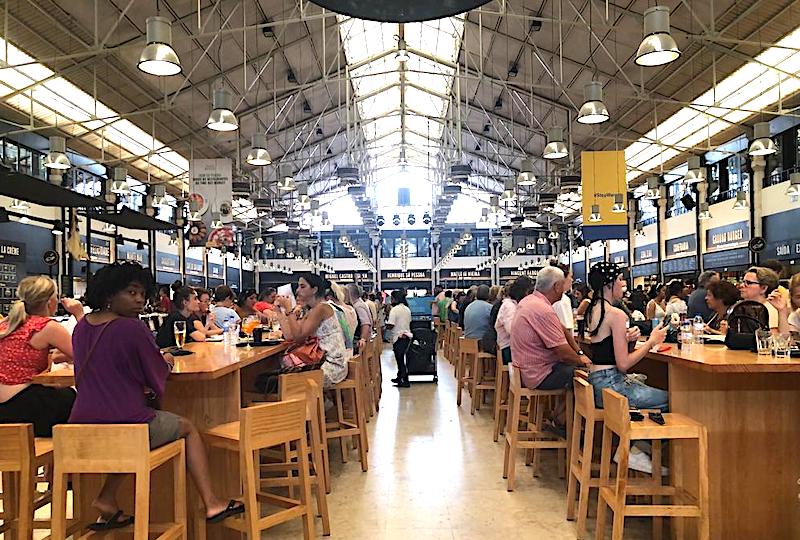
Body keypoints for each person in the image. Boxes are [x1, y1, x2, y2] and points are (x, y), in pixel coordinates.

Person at [69, 262, 244, 527]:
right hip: (127, 424)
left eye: (142, 293)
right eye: (131, 292)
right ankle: (212, 503)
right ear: (109, 294)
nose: (140, 299)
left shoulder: (82, 327)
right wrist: (166, 360)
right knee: (187, 428)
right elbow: (156, 373)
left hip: (82, 428)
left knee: (130, 443)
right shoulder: (132, 328)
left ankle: (106, 497)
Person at [0, 276, 84, 436]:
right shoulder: (46, 326)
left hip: (4, 407)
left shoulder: (6, 324)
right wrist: (79, 314)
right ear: (50, 302)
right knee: (74, 400)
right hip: (24, 405)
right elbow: (88, 353)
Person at [584, 261, 668, 411]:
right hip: (612, 385)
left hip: (597, 382)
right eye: (620, 279)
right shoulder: (616, 314)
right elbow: (623, 364)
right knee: (671, 399)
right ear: (609, 283)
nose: (623, 284)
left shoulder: (593, 309)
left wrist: (627, 340)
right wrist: (651, 342)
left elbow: (604, 349)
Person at [510, 266, 590, 392]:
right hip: (539, 375)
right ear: (557, 286)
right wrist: (585, 363)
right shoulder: (542, 309)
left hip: (525, 370)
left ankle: (559, 411)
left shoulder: (529, 301)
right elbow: (563, 353)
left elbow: (561, 328)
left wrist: (579, 352)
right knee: (586, 378)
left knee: (575, 369)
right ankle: (565, 412)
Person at [272, 274, 348, 388]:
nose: (297, 291)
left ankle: (313, 404)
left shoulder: (322, 308)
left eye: (302, 287)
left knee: (284, 382)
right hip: (321, 361)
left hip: (332, 366)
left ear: (314, 289)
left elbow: (299, 338)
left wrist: (289, 311)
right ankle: (319, 403)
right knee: (281, 375)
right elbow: (290, 336)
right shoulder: (312, 310)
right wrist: (279, 311)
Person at [495, 276, 534, 365]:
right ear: (525, 292)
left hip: (513, 347)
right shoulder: (509, 306)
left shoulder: (514, 304)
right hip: (509, 349)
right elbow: (512, 331)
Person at [738, 266, 780, 331]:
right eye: (743, 282)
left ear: (763, 288)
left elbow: (772, 337)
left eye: (748, 283)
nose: (741, 286)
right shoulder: (740, 307)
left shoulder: (771, 310)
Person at [386, 290, 413, 388]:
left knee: (400, 360)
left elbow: (391, 324)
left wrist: (385, 326)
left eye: (392, 298)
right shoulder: (407, 309)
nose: (391, 300)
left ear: (395, 299)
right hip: (407, 336)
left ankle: (404, 381)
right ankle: (400, 376)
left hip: (398, 337)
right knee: (402, 359)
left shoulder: (394, 310)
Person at [346, 283, 373, 353]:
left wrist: (362, 339)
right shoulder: (360, 303)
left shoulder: (358, 306)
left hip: (361, 343)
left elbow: (365, 323)